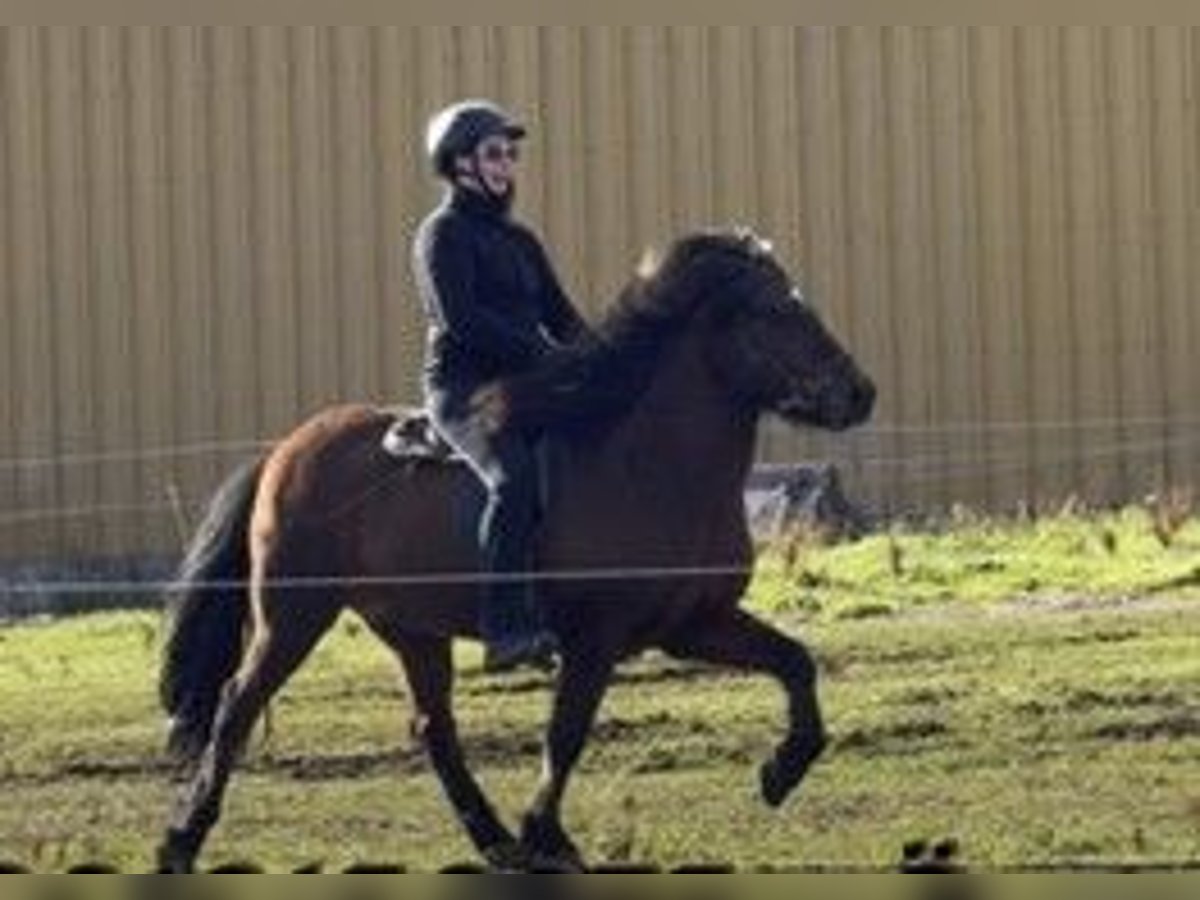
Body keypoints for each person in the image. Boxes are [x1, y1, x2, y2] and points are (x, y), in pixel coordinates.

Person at [412, 99, 593, 673]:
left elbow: (563, 319)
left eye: (511, 154)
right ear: (459, 164)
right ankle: (505, 627)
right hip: (464, 390)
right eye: (494, 153)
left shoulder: (522, 242)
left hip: (524, 384)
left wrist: (610, 358)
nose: (507, 164)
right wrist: (543, 355)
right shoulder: (440, 236)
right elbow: (464, 321)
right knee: (512, 481)